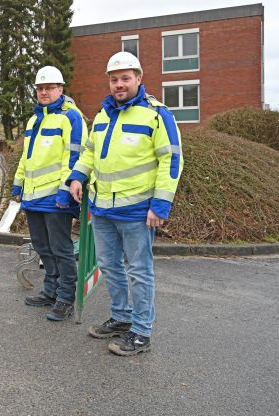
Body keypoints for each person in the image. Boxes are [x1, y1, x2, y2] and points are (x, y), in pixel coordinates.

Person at [67, 51, 183, 356]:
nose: (119, 84)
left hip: (137, 211)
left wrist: (160, 205)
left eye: (125, 78)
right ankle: (121, 317)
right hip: (102, 209)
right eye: (114, 79)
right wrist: (77, 176)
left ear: (139, 79)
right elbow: (90, 152)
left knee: (139, 272)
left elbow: (171, 160)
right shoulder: (103, 115)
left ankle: (142, 331)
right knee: (109, 265)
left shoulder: (157, 115)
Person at [12, 66, 87, 322]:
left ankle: (65, 298)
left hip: (57, 198)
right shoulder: (34, 119)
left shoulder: (71, 117)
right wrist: (18, 184)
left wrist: (66, 191)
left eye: (49, 88)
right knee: (43, 247)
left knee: (61, 249)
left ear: (60, 89)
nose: (44, 92)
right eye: (40, 88)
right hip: (34, 197)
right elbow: (27, 157)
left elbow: (75, 157)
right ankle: (51, 291)